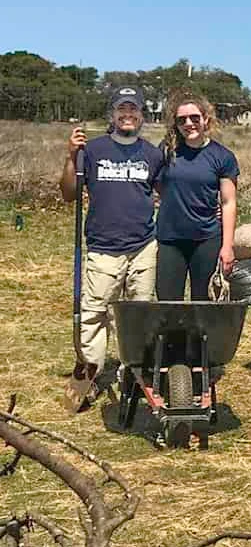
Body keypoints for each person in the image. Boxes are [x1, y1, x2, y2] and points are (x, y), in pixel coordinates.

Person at [60, 86, 165, 374]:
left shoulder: (152, 154)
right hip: (103, 247)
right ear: (113, 114)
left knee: (139, 313)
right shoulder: (91, 150)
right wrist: (71, 158)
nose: (127, 114)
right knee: (94, 314)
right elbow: (69, 193)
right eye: (122, 109)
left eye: (133, 109)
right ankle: (89, 373)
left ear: (142, 115)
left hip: (143, 247)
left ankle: (135, 372)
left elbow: (167, 193)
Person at [155, 90, 239, 301]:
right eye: (182, 119)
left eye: (194, 118)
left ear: (206, 119)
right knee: (167, 303)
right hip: (170, 239)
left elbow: (228, 202)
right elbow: (157, 185)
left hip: (206, 239)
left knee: (203, 304)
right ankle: (174, 336)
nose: (189, 124)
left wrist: (227, 247)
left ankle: (198, 336)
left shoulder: (222, 157)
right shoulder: (166, 152)